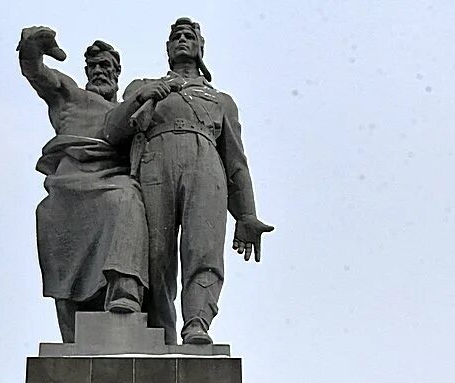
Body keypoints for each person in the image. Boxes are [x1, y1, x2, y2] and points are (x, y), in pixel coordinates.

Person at [106, 18, 273, 345]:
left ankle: (197, 322)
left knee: (204, 247)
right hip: (155, 164)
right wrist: (141, 98)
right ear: (168, 50)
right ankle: (159, 332)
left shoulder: (221, 101)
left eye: (189, 36)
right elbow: (113, 131)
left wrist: (246, 215)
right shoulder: (142, 85)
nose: (182, 40)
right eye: (176, 37)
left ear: (200, 48)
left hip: (206, 165)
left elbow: (236, 161)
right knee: (155, 254)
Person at [18, 26, 148, 343]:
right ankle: (74, 314)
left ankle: (124, 290)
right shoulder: (70, 95)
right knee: (52, 215)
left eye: (107, 66)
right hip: (70, 183)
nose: (100, 71)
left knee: (126, 198)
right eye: (95, 66)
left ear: (118, 73)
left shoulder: (128, 110)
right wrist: (31, 47)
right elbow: (35, 72)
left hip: (115, 180)